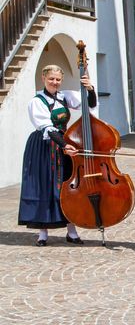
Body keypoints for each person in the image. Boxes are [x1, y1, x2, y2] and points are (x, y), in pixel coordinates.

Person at [18, 64, 96, 246]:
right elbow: (47, 127)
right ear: (43, 79)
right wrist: (64, 145)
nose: (55, 82)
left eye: (58, 79)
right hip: (44, 146)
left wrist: (90, 89)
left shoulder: (64, 96)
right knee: (45, 185)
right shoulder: (37, 101)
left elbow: (89, 105)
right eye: (51, 79)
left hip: (63, 143)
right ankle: (42, 234)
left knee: (66, 185)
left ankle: (72, 231)